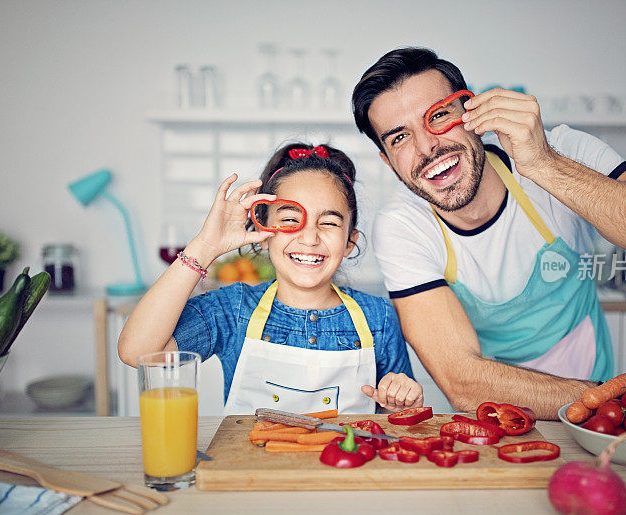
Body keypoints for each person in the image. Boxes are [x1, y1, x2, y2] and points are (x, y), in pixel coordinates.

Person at [351, 47, 626, 419]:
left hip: (597, 403)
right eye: (399, 138)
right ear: (387, 161)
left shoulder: (564, 150)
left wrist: (543, 163)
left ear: (472, 113)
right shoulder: (403, 226)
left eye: (439, 116)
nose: (426, 146)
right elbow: (464, 382)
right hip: (502, 415)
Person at [117, 143, 422, 414]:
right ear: (263, 234)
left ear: (349, 242)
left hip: (344, 476)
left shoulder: (379, 317)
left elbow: (393, 418)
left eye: (328, 222)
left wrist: (401, 401)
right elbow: (136, 352)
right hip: (252, 477)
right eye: (290, 220)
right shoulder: (233, 309)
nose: (310, 238)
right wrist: (204, 247)